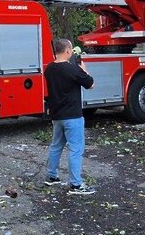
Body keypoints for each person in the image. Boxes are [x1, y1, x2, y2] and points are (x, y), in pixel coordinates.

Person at [43, 39, 95, 195]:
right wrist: (84, 71)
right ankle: (76, 185)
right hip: (72, 116)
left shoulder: (49, 69)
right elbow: (90, 84)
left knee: (56, 146)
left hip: (57, 115)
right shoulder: (73, 70)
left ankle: (51, 176)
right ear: (67, 51)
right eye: (71, 50)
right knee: (75, 149)